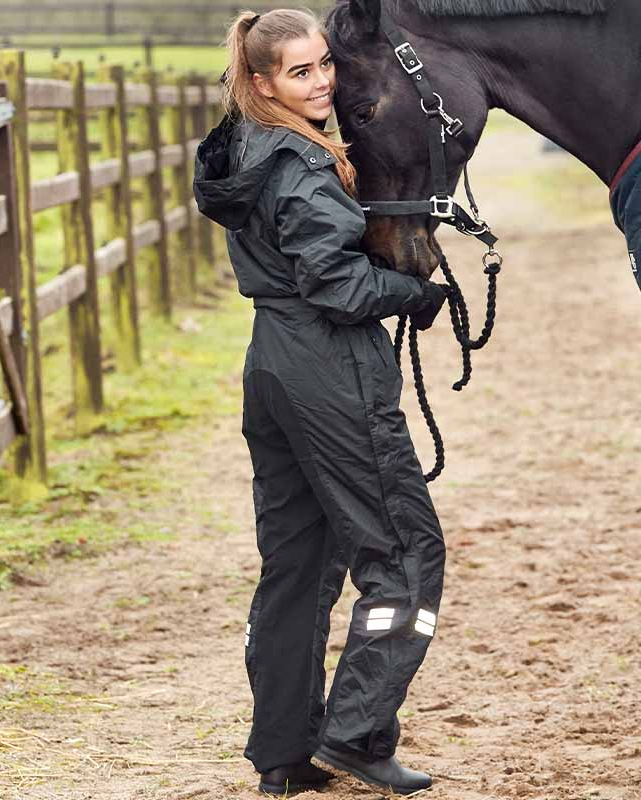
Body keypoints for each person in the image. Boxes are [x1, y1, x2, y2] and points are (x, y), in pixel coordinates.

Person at [193, 8, 449, 796]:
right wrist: (412, 293)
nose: (322, 82)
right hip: (330, 366)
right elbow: (336, 285)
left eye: (325, 66)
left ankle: (283, 753)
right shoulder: (302, 164)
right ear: (263, 80)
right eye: (300, 72)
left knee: (298, 565)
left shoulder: (244, 146)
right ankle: (356, 734)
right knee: (406, 556)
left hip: (271, 365)